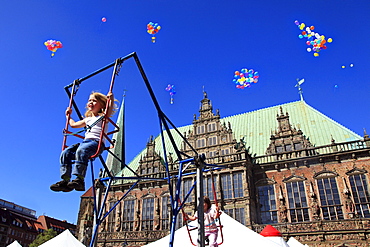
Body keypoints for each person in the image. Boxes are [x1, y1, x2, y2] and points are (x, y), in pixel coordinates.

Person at [50, 91, 116, 192]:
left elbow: (109, 110)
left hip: (96, 143)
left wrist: (110, 99)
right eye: (89, 100)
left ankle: (79, 179)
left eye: (94, 101)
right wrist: (68, 116)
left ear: (102, 105)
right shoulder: (87, 119)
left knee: (82, 150)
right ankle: (65, 180)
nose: (91, 102)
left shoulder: (103, 117)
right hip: (85, 142)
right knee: (66, 153)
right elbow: (74, 125)